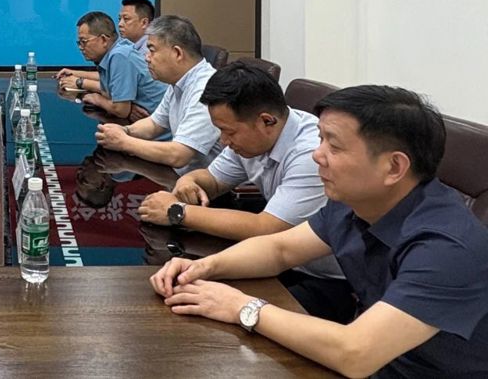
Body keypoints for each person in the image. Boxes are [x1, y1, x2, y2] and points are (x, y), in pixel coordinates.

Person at [150, 86, 488, 378]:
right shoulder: (354, 203)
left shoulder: (447, 247)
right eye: (320, 139)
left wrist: (241, 307)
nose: (317, 155)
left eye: (334, 147)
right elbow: (279, 249)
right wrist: (204, 267)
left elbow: (356, 352)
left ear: (394, 167)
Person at [139, 62, 351, 322]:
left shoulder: (310, 154)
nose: (223, 141)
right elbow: (212, 180)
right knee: (189, 296)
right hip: (282, 260)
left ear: (266, 121)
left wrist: (178, 212)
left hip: (329, 281)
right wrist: (187, 181)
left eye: (228, 132)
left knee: (210, 316)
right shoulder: (252, 139)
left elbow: (267, 228)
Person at [95, 15, 221, 175]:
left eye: (152, 50)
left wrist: (123, 141)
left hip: (211, 185)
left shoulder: (205, 89)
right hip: (184, 178)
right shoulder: (179, 82)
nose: (146, 57)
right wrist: (125, 130)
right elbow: (154, 124)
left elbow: (178, 155)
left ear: (177, 53)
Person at [60, 11, 165, 120]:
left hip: (159, 125)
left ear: (104, 40)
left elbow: (121, 110)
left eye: (84, 41)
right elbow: (110, 94)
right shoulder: (110, 55)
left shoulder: (120, 56)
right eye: (79, 42)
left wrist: (96, 99)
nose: (81, 47)